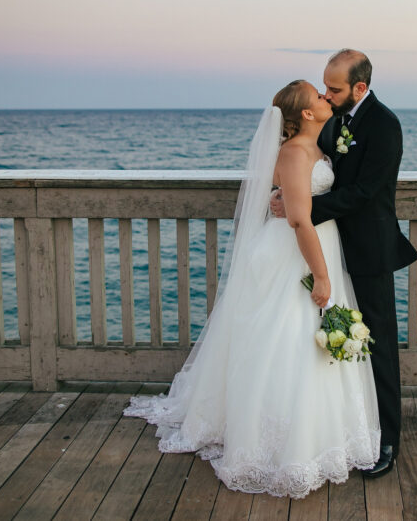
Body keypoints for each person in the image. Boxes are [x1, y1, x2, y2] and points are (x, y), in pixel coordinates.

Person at [123, 80, 380, 499]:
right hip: (295, 255)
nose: (325, 97)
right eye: (318, 95)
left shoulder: (320, 146)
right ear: (307, 114)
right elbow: (298, 220)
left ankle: (318, 432)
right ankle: (276, 442)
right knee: (287, 340)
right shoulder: (295, 153)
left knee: (304, 341)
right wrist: (322, 275)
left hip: (317, 247)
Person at [271, 49, 417, 478]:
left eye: (333, 89)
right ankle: (346, 430)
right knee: (322, 343)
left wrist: (305, 208)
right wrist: (284, 194)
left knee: (378, 345)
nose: (327, 94)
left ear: (359, 86)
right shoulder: (332, 118)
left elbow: (367, 192)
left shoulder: (385, 124)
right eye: (324, 87)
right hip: (329, 247)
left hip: (369, 248)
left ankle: (387, 439)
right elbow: (299, 156)